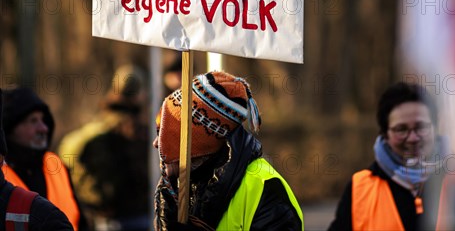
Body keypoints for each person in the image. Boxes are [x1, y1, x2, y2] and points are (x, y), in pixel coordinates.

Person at [153, 71, 304, 230]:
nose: (155, 143)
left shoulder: (266, 189)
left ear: (198, 145)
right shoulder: (177, 184)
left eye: (165, 134)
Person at [328, 81, 447, 231]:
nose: (412, 138)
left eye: (421, 127)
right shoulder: (359, 189)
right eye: (401, 129)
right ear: (385, 134)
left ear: (436, 127)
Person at [58, 65, 150, 231]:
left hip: (104, 217)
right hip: (131, 215)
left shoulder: (101, 121)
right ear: (138, 93)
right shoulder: (131, 128)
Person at [1, 87, 85, 230]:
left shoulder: (56, 165)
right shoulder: (3, 171)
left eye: (43, 120)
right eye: (33, 121)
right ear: (10, 129)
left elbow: (82, 222)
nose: (43, 128)